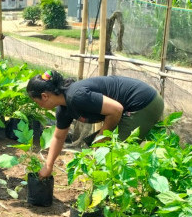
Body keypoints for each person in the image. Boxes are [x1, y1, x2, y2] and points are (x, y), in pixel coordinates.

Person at [26, 70, 165, 178]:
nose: (37, 105)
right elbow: (58, 137)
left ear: (44, 96)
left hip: (143, 103)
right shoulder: (64, 108)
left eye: (35, 100)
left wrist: (102, 136)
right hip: (132, 105)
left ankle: (102, 205)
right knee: (100, 150)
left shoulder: (76, 96)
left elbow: (116, 109)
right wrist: (48, 165)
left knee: (110, 156)